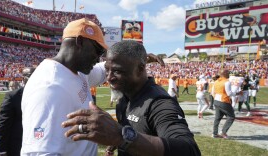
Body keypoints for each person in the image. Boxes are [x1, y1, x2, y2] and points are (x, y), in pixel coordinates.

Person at [61, 40, 201, 156]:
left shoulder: (159, 103)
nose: (109, 77)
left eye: (117, 71)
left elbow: (190, 150)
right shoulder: (124, 99)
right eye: (107, 69)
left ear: (140, 69)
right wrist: (115, 143)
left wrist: (120, 136)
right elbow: (135, 132)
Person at [20, 18, 108, 156]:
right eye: (98, 51)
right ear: (80, 42)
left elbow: (103, 70)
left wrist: (136, 57)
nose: (98, 59)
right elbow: (41, 153)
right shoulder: (49, 87)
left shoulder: (77, 71)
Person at [0, 67, 35, 156]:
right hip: (17, 146)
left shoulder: (44, 95)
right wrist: (1, 150)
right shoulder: (12, 96)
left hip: (37, 144)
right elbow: (3, 124)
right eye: (30, 76)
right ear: (23, 79)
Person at [212, 69, 240, 139]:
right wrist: (237, 93)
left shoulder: (216, 81)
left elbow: (213, 92)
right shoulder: (227, 82)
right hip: (224, 101)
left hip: (216, 100)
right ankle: (223, 132)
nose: (229, 74)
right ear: (224, 74)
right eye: (227, 72)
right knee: (231, 116)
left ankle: (214, 133)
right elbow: (229, 93)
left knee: (217, 118)